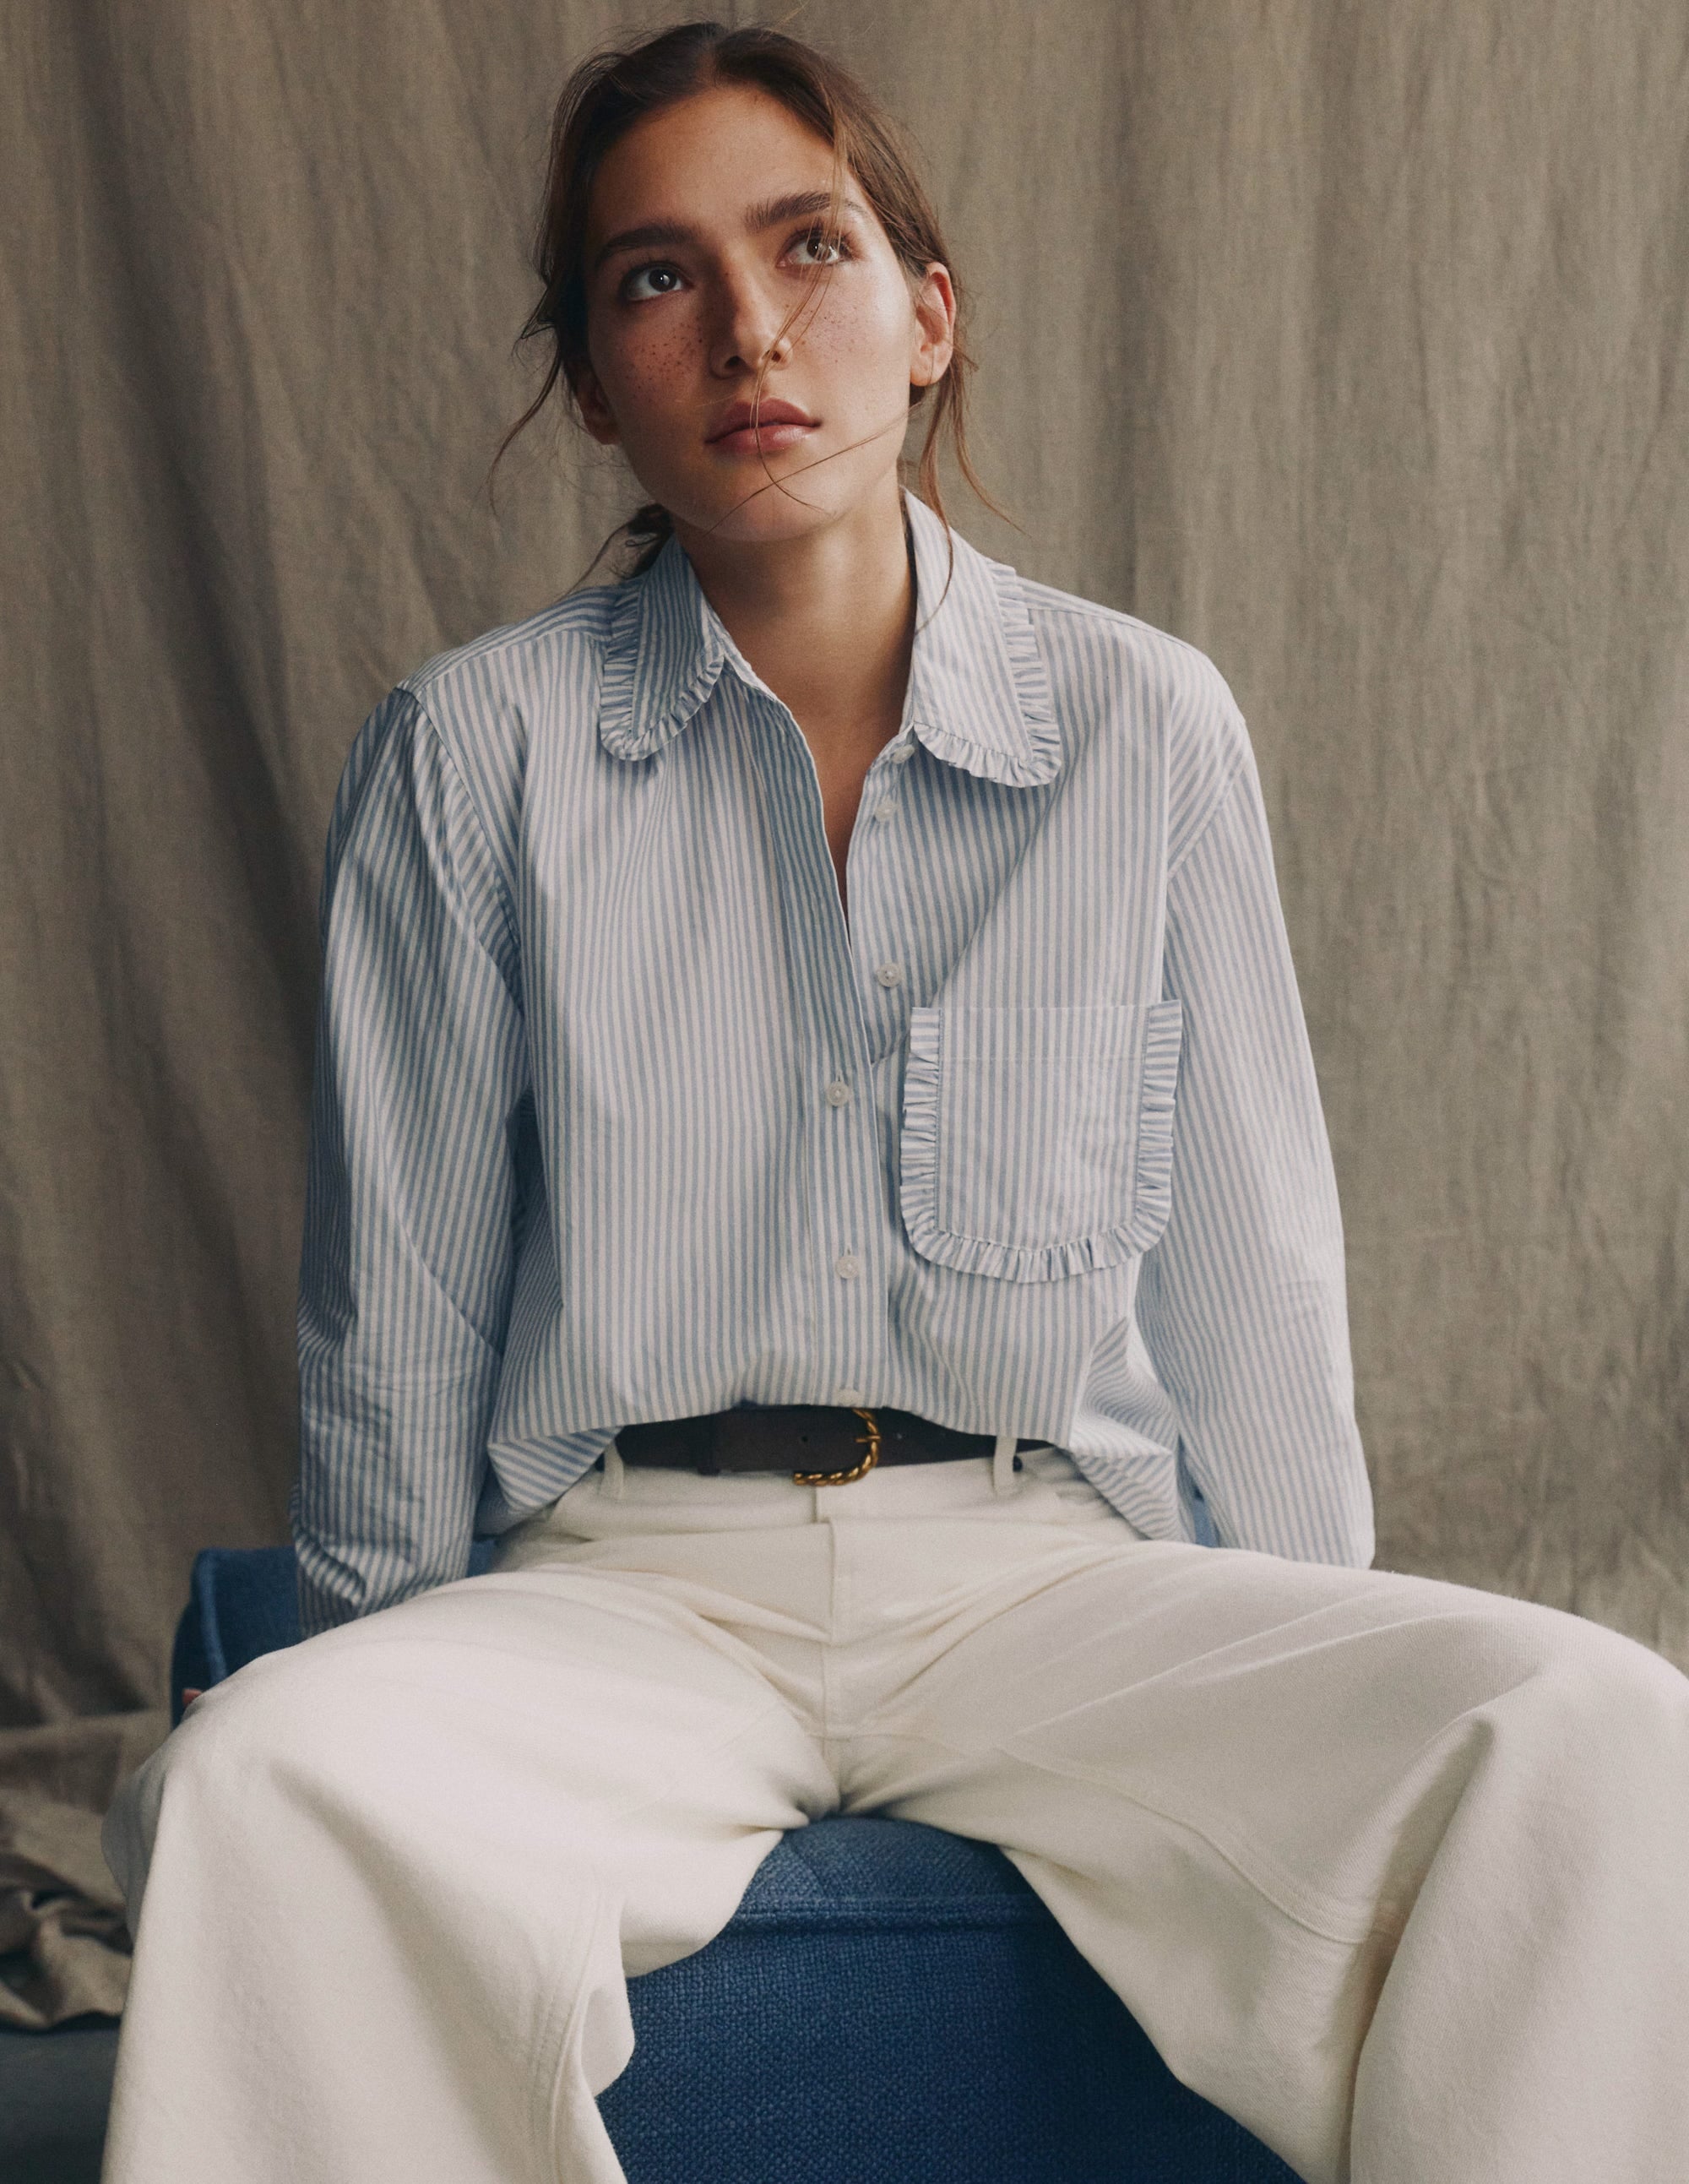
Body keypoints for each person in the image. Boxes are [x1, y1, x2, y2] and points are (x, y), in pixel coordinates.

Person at [100, 20, 1688, 2184]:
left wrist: (1314, 1655)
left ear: (925, 315)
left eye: (810, 245)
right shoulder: (470, 759)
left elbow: (1252, 1269)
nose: (751, 328)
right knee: (252, 1784)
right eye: (654, 277)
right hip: (623, 1585)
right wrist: (402, 1704)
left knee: (1594, 1731)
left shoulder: (1146, 726)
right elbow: (395, 1318)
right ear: (590, 375)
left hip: (1044, 1572)